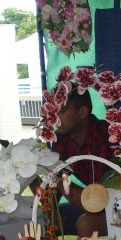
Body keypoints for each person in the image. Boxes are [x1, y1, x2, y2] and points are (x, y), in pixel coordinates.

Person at [48, 89, 113, 231]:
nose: (56, 118)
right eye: (54, 111)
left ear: (82, 112)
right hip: (90, 202)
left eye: (61, 111)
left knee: (85, 224)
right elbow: (56, 186)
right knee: (46, 219)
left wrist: (55, 175)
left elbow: (97, 203)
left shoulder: (107, 135)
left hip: (118, 205)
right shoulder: (61, 139)